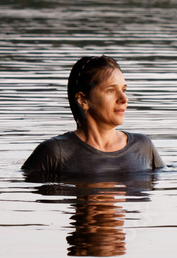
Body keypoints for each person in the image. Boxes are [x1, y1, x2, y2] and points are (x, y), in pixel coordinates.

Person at [22, 55, 164, 176]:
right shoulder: (55, 152)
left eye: (124, 89)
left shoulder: (143, 146)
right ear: (83, 100)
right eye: (111, 90)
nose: (124, 99)